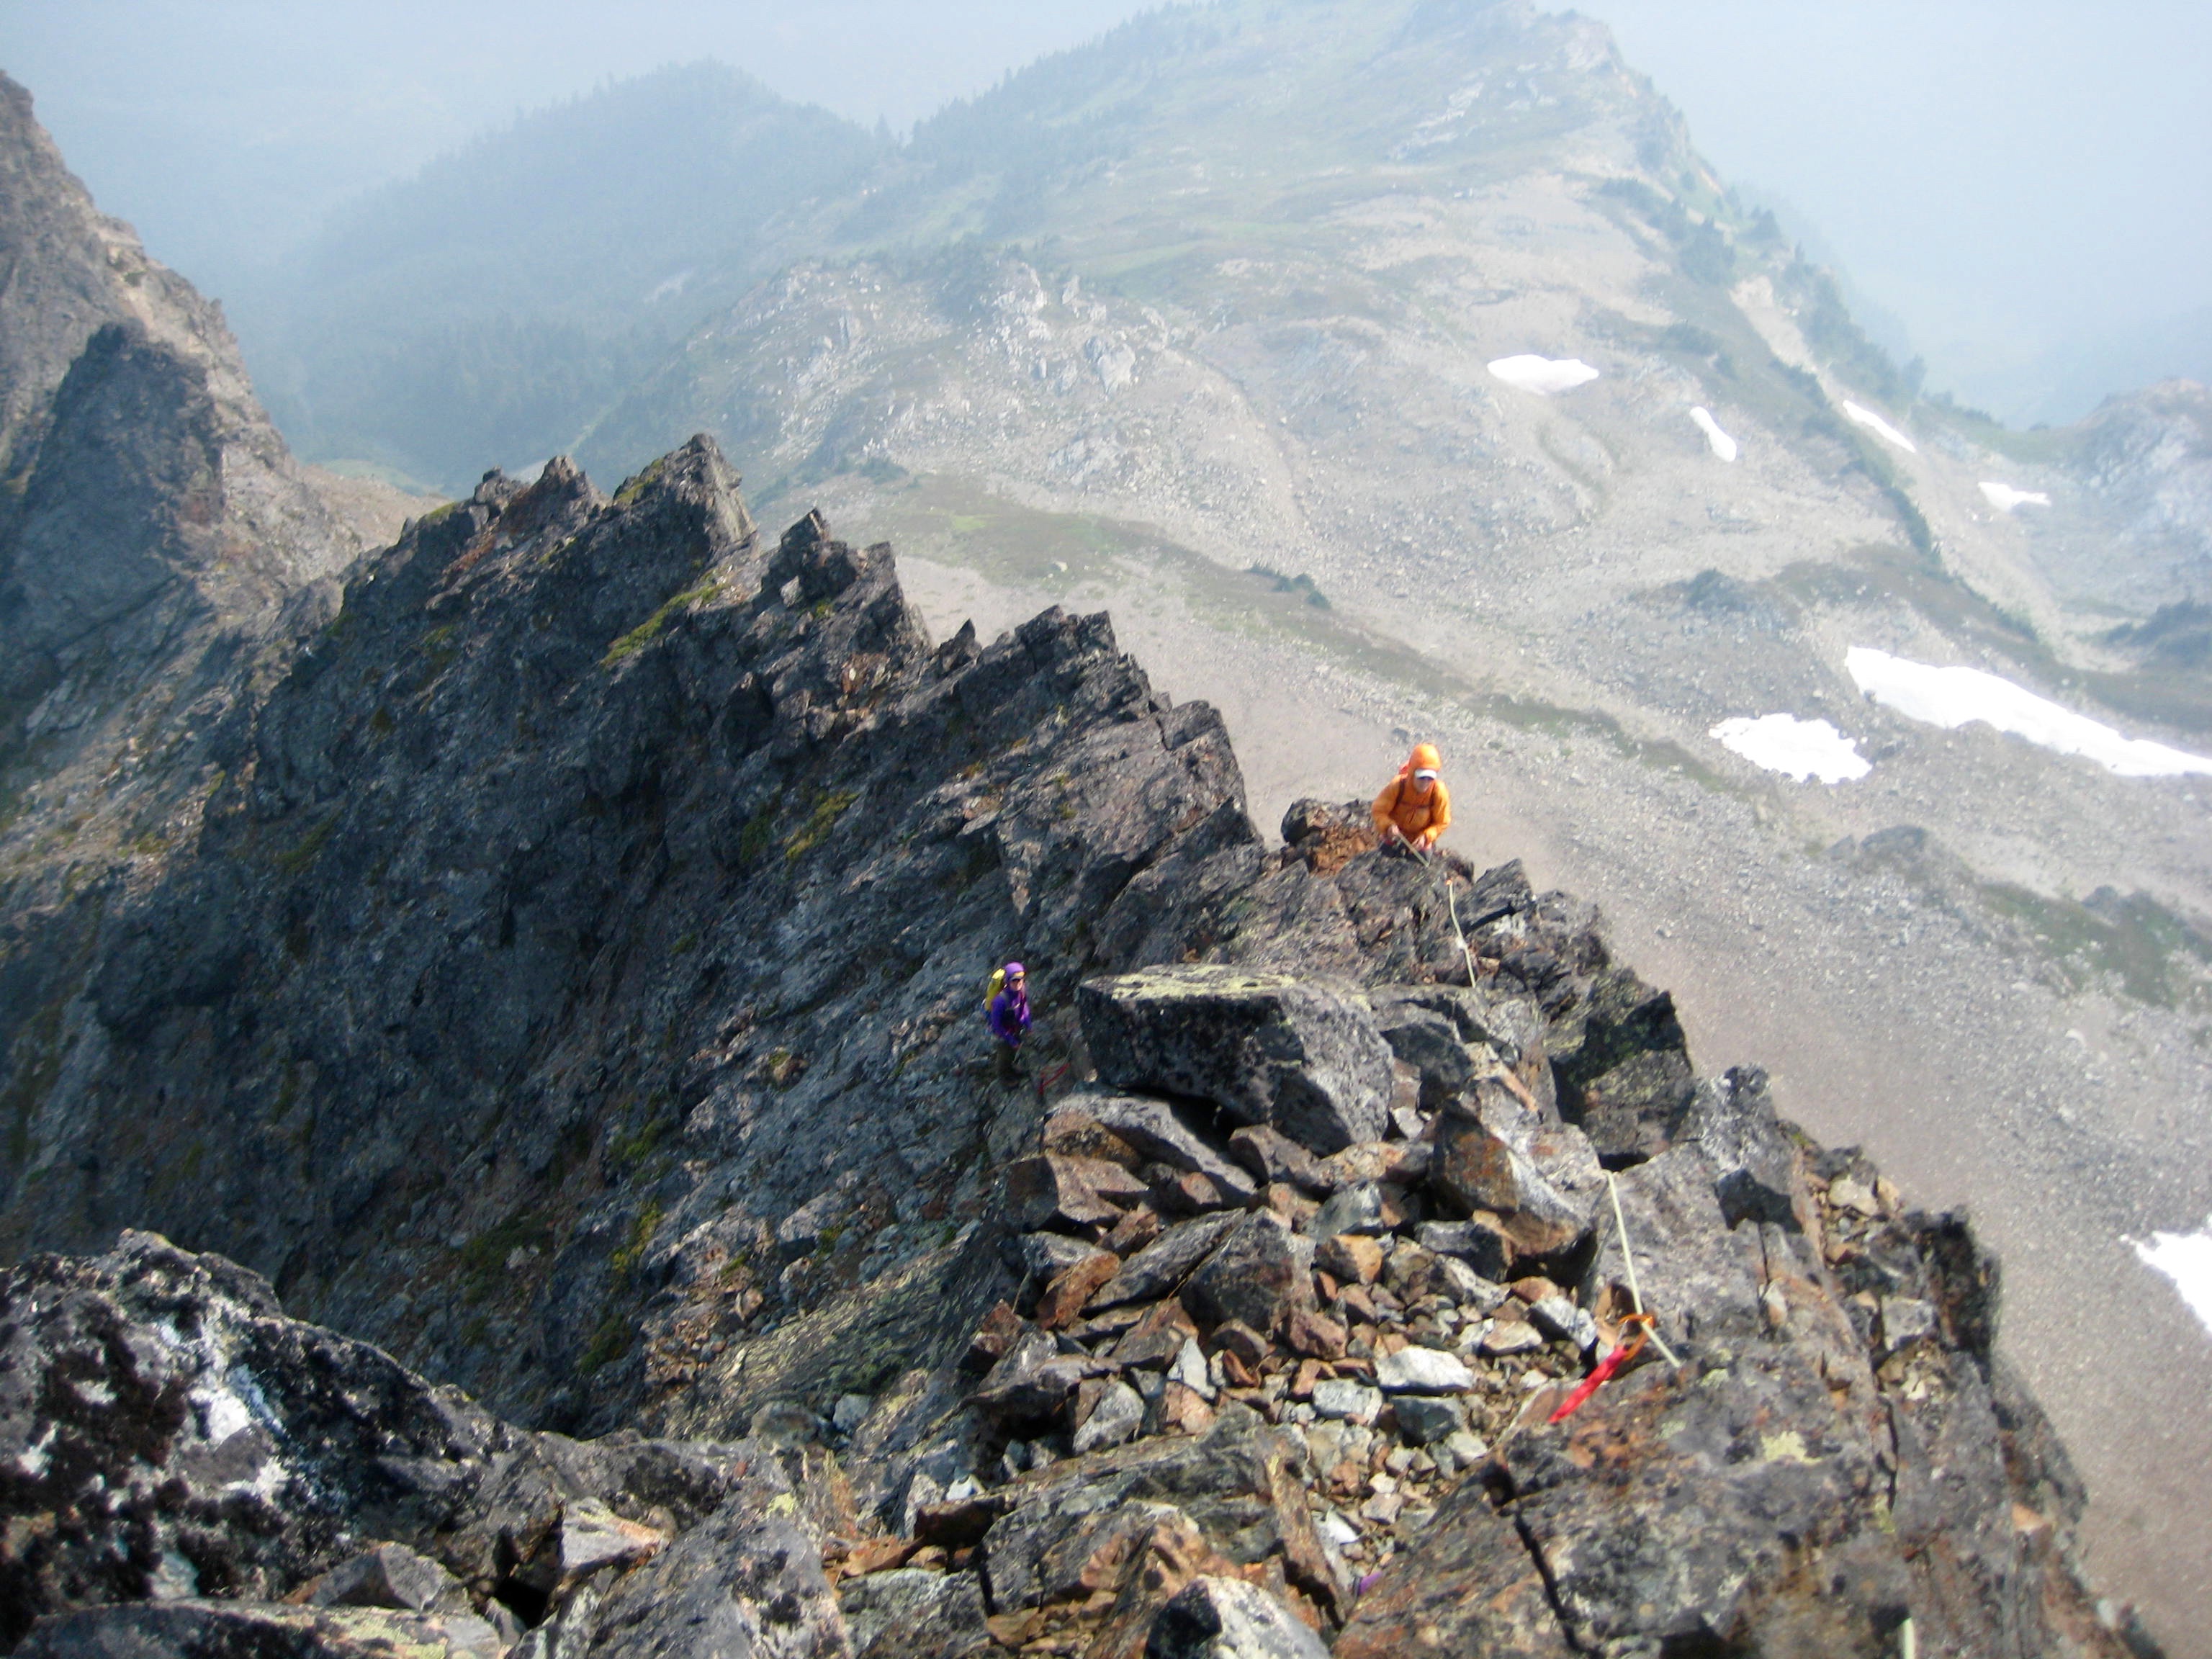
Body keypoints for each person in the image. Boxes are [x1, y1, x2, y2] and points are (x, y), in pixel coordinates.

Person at [1372, 742, 1452, 853]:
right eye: (1422, 777)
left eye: (1430, 778)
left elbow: (1442, 822)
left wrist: (1426, 837)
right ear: (1412, 772)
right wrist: (1389, 826)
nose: (1426, 782)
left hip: (1420, 843)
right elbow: (1378, 811)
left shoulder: (1438, 792)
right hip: (1394, 837)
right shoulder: (1398, 786)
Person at [986, 961, 1032, 1082]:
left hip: (1015, 1027)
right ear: (1007, 981)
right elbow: (996, 1025)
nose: (1018, 983)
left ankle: (1012, 1071)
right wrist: (1011, 1041)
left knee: (1012, 1053)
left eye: (1020, 980)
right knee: (1004, 1055)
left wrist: (1029, 1025)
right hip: (1002, 1033)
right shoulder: (1000, 1001)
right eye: (1014, 980)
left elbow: (1024, 1008)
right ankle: (1004, 1078)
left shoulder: (1021, 991)